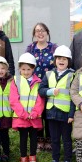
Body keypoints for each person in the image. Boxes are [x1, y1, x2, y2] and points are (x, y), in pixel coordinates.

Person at [38, 45, 75, 162]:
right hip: (51, 113)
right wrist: (50, 91)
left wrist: (72, 114)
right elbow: (40, 90)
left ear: (68, 61)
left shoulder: (72, 75)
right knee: (54, 139)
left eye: (64, 59)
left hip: (65, 114)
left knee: (66, 139)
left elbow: (73, 96)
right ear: (55, 60)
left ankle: (67, 161)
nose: (61, 61)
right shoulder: (48, 74)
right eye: (59, 58)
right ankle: (55, 160)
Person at [25, 22, 58, 152]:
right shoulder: (30, 48)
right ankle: (39, 140)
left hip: (50, 86)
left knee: (48, 114)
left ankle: (49, 140)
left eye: (43, 30)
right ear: (34, 34)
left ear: (47, 32)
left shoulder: (54, 48)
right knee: (37, 114)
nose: (40, 33)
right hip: (34, 86)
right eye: (37, 31)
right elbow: (25, 66)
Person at [10, 53, 45, 162]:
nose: (25, 72)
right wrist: (24, 114)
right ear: (19, 68)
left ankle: (33, 158)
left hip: (34, 117)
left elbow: (40, 100)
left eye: (28, 69)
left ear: (33, 69)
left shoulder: (38, 82)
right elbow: (14, 100)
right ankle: (23, 158)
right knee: (23, 139)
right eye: (23, 69)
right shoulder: (15, 81)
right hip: (22, 118)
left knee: (34, 139)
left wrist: (34, 113)